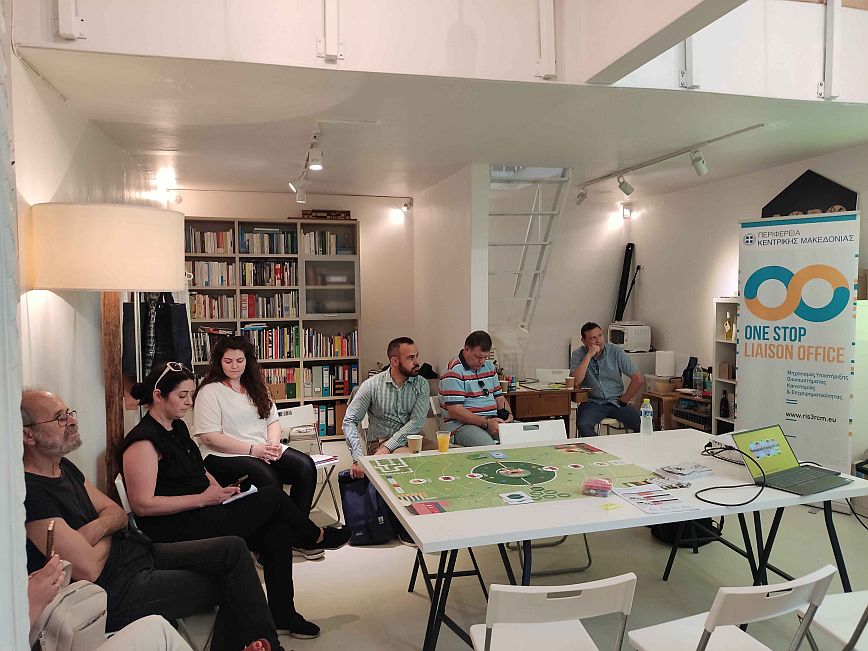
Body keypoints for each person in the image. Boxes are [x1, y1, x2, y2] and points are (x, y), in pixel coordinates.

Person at [21, 389, 285, 651]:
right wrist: (108, 528)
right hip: (113, 590)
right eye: (59, 418)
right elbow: (89, 568)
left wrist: (95, 532)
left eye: (69, 413)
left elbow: (117, 513)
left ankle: (266, 645)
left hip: (137, 553)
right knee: (232, 583)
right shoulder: (29, 493)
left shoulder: (64, 467)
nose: (72, 421)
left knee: (234, 549)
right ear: (27, 435)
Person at [119, 362, 350, 640]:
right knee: (272, 496)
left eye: (190, 394)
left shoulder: (176, 427)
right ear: (158, 395)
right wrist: (202, 499)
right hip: (175, 526)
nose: (189, 402)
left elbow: (198, 469)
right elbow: (143, 505)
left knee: (277, 532)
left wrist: (220, 491)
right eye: (182, 396)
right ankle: (313, 536)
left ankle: (283, 615)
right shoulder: (143, 442)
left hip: (203, 508)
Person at [192, 336, 319, 558]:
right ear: (219, 362)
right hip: (222, 454)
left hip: (261, 448)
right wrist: (253, 450)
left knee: (305, 466)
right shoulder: (210, 391)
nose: (234, 366)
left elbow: (273, 421)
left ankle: (295, 536)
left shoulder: (256, 386)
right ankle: (267, 544)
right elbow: (209, 437)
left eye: (239, 360)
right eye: (228, 361)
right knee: (267, 477)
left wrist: (273, 445)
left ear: (247, 361)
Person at [343, 337, 433, 479]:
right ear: (395, 361)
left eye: (417, 356)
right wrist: (358, 458)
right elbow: (350, 421)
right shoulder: (371, 385)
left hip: (414, 439)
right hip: (381, 441)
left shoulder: (421, 384)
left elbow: (417, 422)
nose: (417, 362)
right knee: (409, 463)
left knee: (448, 458)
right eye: (410, 358)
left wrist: (388, 447)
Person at [439, 330, 514, 446]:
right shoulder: (454, 371)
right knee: (488, 447)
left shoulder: (489, 367)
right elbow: (455, 411)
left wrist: (509, 415)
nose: (482, 362)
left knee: (527, 437)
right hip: (462, 426)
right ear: (466, 349)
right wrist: (486, 423)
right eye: (478, 357)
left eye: (485, 357)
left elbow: (499, 398)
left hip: (492, 420)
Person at [570, 322, 644, 436]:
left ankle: (634, 447)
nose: (598, 341)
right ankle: (598, 446)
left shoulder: (615, 351)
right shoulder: (578, 354)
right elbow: (575, 382)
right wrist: (588, 356)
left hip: (616, 402)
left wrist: (625, 399)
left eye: (600, 336)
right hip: (592, 402)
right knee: (583, 424)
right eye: (593, 338)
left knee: (644, 423)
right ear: (584, 341)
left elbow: (638, 379)